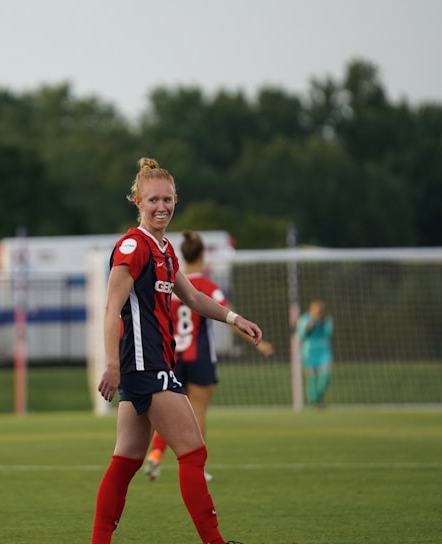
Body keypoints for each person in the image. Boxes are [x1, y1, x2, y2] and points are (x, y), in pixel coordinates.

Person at [92, 158, 261, 544]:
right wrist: (113, 365)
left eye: (167, 199)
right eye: (153, 200)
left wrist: (235, 319)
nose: (161, 206)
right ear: (137, 200)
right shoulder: (134, 246)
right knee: (193, 452)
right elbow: (111, 309)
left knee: (126, 461)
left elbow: (195, 298)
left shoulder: (165, 249)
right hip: (144, 365)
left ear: (176, 200)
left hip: (148, 365)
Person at [144, 230, 275, 482]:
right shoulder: (206, 286)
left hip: (172, 357)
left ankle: (156, 454)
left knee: (168, 412)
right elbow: (229, 317)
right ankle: (198, 469)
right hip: (200, 356)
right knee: (197, 413)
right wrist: (257, 343)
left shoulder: (170, 284)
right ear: (202, 255)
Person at [296, 299, 333, 406]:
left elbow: (328, 332)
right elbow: (301, 334)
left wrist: (321, 322)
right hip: (308, 352)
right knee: (311, 378)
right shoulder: (304, 319)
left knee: (325, 377)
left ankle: (318, 395)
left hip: (323, 351)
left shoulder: (326, 319)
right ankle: (314, 401)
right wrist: (312, 322)